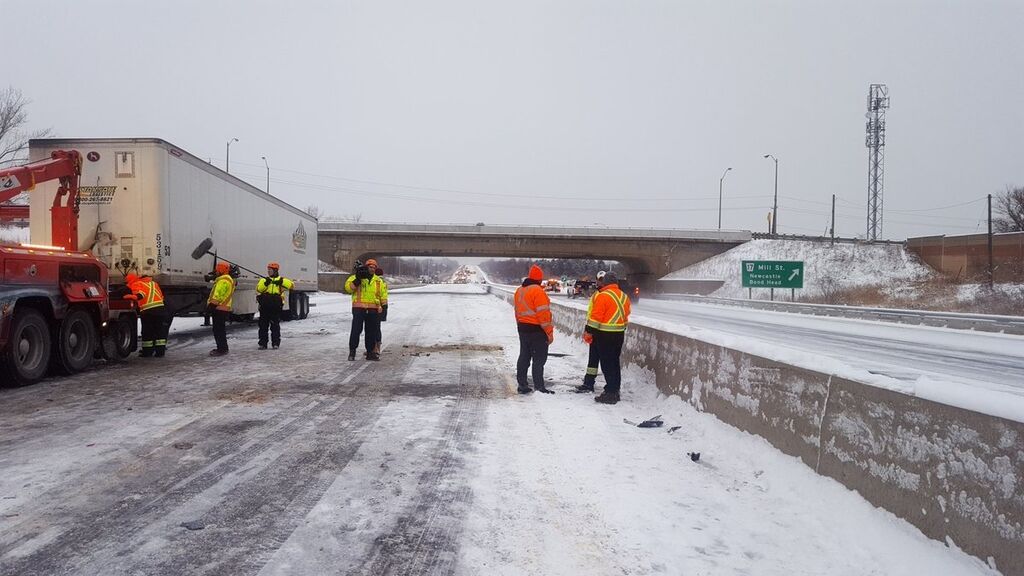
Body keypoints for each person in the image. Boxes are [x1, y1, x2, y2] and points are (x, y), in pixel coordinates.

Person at [583, 271, 631, 404]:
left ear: (606, 282)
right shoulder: (624, 296)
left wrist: (589, 332)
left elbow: (596, 318)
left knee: (607, 364)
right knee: (614, 363)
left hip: (604, 335)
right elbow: (626, 316)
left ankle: (610, 393)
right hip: (619, 334)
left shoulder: (603, 296)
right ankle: (615, 390)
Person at [514, 264, 554, 394]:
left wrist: (519, 325)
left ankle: (522, 384)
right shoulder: (538, 291)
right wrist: (549, 332)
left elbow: (517, 311)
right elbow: (543, 315)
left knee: (524, 356)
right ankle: (539, 387)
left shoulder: (519, 290)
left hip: (523, 328)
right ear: (539, 279)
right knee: (539, 359)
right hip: (537, 331)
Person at [345, 258, 384, 361]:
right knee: (356, 330)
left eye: (374, 267)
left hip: (373, 310)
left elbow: (382, 295)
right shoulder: (355, 277)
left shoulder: (378, 281)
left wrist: (384, 308)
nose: (372, 269)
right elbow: (348, 289)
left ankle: (370, 353)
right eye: (370, 267)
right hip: (359, 309)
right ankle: (352, 352)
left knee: (370, 332)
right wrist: (357, 279)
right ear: (366, 267)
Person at [123, 273, 170, 358]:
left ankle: (147, 352)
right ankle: (160, 352)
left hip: (148, 311)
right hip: (161, 310)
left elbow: (141, 295)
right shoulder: (154, 284)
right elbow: (161, 296)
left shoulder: (138, 283)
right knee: (160, 332)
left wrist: (132, 296)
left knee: (148, 332)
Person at [576, 270, 606, 393]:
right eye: (599, 279)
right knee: (593, 359)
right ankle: (589, 382)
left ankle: (607, 387)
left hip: (601, 331)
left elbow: (598, 315)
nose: (600, 282)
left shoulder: (603, 295)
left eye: (602, 280)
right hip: (595, 329)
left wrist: (590, 329)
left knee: (602, 360)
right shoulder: (597, 294)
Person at [256, 261, 294, 350]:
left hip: (275, 306)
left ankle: (275, 343)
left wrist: (281, 282)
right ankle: (263, 343)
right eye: (268, 269)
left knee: (275, 326)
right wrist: (265, 283)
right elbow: (259, 289)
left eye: (270, 270)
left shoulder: (281, 279)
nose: (268, 271)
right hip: (265, 306)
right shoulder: (264, 280)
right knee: (263, 326)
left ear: (275, 270)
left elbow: (292, 285)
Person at [207, 261, 236, 356]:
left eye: (217, 269)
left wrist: (211, 305)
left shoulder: (224, 281)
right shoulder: (225, 279)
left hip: (219, 308)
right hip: (222, 308)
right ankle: (222, 348)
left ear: (221, 269)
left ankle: (222, 349)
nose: (216, 271)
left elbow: (218, 295)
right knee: (220, 329)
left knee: (218, 330)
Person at [373, 267, 389, 355]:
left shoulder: (377, 282)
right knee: (377, 327)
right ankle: (377, 347)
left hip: (376, 306)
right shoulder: (384, 282)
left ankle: (375, 348)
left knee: (373, 328)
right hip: (383, 306)